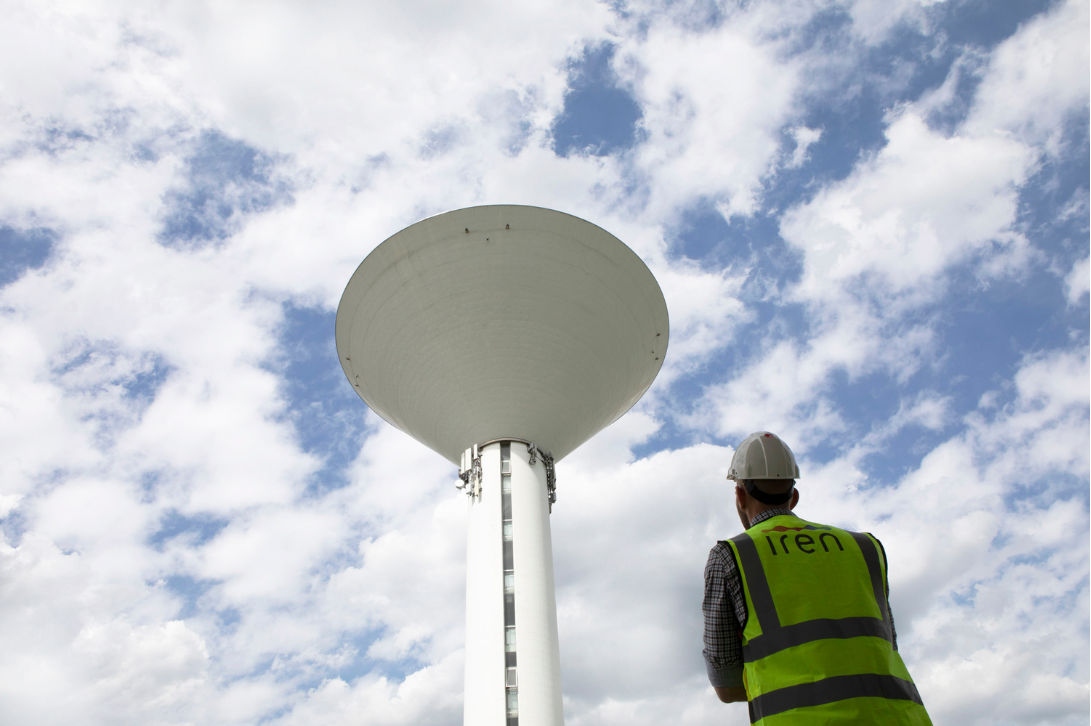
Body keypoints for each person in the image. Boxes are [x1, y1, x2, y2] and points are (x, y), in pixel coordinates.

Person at [702, 431, 932, 724]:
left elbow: (727, 687)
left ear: (740, 495)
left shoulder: (731, 556)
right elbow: (884, 648)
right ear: (794, 497)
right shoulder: (865, 547)